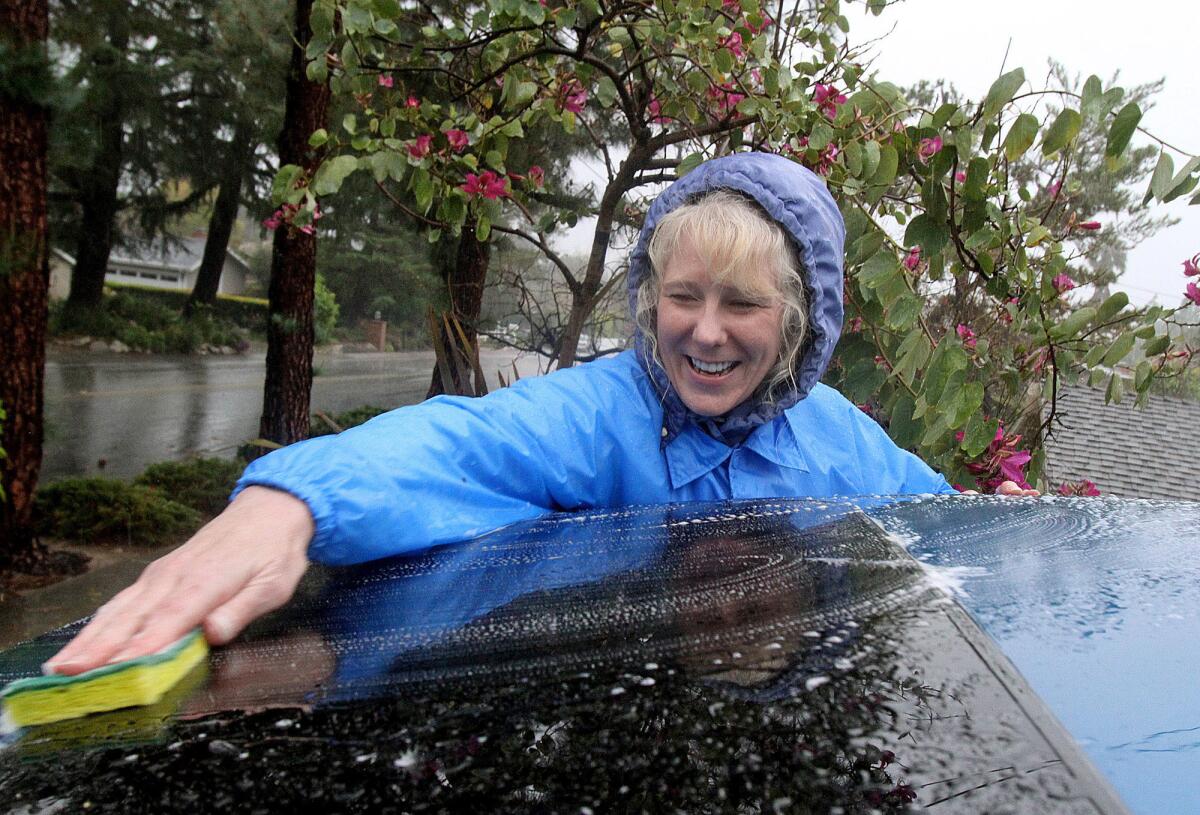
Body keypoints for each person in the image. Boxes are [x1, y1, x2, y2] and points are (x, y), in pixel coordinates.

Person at [45, 152, 1035, 676]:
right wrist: (289, 505)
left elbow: (952, 532)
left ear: (803, 317)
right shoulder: (601, 411)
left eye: (744, 304)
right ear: (649, 295)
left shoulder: (839, 436)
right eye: (682, 294)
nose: (705, 332)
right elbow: (458, 440)